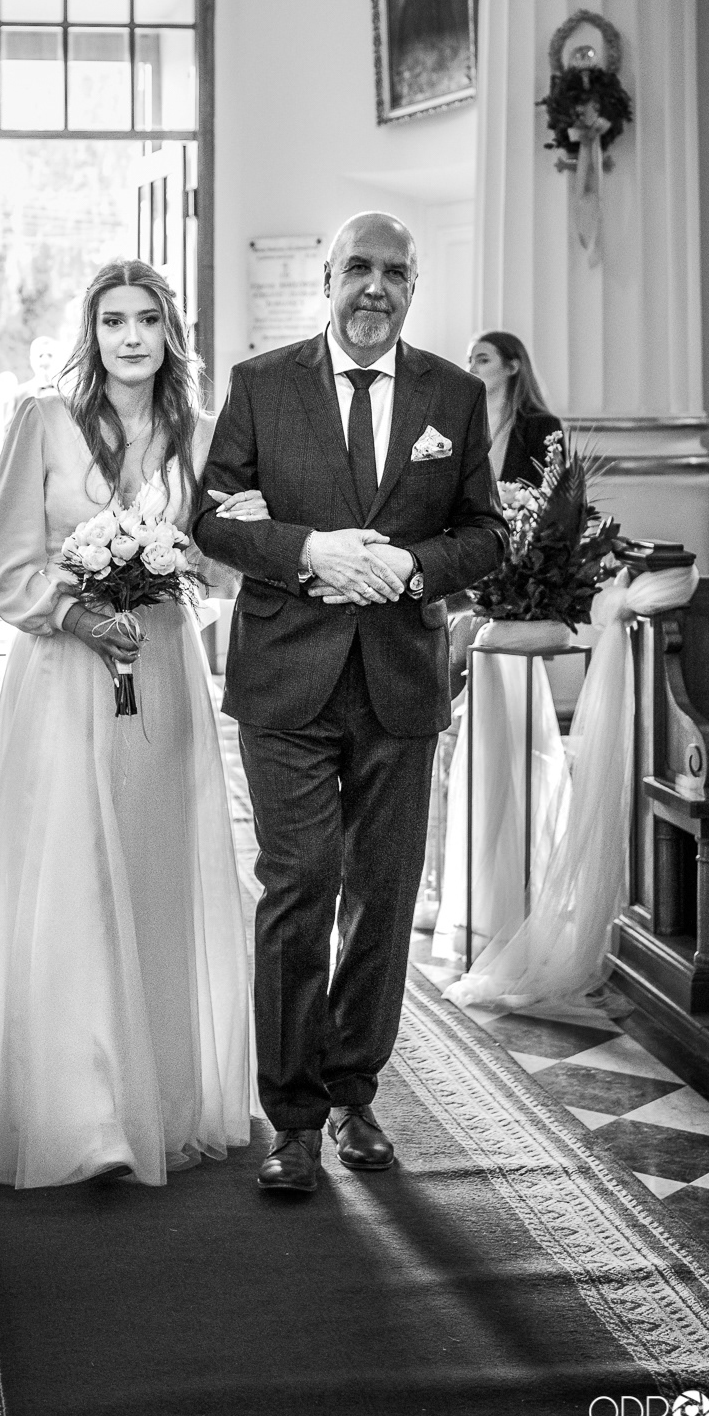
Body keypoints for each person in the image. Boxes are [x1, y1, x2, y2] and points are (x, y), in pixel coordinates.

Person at [0, 260, 262, 1189]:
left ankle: (156, 1094)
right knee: (68, 869)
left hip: (162, 667)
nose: (130, 337)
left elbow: (221, 564)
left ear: (170, 333)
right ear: (92, 332)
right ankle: (73, 1104)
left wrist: (196, 558)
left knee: (152, 864)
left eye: (147, 319)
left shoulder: (199, 434)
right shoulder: (43, 419)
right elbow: (5, 560)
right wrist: (75, 615)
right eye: (113, 321)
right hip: (62, 673)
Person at [195, 212, 508, 1196]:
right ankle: (291, 1118)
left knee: (382, 893)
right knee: (300, 883)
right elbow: (210, 518)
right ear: (326, 278)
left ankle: (352, 1091)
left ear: (414, 287)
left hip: (399, 680)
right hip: (286, 676)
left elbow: (485, 533)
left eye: (396, 272)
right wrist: (309, 552)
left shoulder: (451, 395)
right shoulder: (260, 384)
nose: (376, 286)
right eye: (359, 268)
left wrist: (408, 567)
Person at [466, 332, 562, 487]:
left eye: (483, 360)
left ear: (512, 367)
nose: (471, 369)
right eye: (469, 360)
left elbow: (551, 490)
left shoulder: (542, 425)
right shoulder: (461, 421)